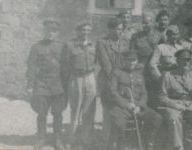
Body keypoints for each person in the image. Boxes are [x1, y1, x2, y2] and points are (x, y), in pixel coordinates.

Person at [26, 18, 68, 150]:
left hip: (58, 85)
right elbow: (31, 67)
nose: (51, 33)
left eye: (54, 31)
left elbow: (66, 67)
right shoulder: (36, 47)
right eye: (49, 30)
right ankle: (41, 138)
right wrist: (30, 85)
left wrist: (66, 86)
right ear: (45, 31)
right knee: (42, 113)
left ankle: (58, 139)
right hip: (41, 84)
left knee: (58, 113)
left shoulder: (62, 47)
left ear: (57, 32)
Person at [158, 48, 192, 150]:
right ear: (177, 61)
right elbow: (162, 97)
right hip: (173, 106)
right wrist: (176, 106)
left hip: (189, 107)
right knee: (173, 118)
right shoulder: (168, 76)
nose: (186, 62)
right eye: (183, 60)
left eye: (188, 60)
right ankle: (179, 146)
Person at [107, 59, 162, 150]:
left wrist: (140, 106)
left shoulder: (139, 74)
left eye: (134, 60)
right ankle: (122, 146)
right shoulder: (117, 73)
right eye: (130, 60)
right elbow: (112, 92)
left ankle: (147, 143)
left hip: (137, 107)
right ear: (125, 60)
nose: (132, 63)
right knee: (119, 123)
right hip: (121, 107)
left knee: (156, 118)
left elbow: (144, 93)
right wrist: (126, 104)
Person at [61, 22, 97, 149]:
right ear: (77, 31)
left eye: (88, 30)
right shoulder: (70, 45)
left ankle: (86, 139)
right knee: (75, 109)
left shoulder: (93, 44)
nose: (85, 32)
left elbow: (96, 61)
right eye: (83, 30)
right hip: (76, 78)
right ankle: (71, 139)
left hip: (90, 77)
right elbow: (65, 64)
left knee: (89, 110)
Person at [96, 18, 130, 150]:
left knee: (120, 112)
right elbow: (107, 65)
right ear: (110, 29)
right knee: (108, 113)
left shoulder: (125, 42)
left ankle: (119, 143)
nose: (119, 32)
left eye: (121, 29)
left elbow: (127, 61)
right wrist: (118, 81)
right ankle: (105, 145)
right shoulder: (102, 43)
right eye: (117, 29)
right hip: (108, 82)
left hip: (122, 82)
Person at [147, 25, 183, 108]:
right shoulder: (160, 48)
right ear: (168, 35)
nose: (175, 37)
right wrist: (160, 79)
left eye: (176, 34)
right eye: (172, 34)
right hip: (165, 80)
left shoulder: (180, 48)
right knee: (166, 102)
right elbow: (152, 64)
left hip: (178, 80)